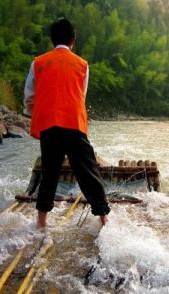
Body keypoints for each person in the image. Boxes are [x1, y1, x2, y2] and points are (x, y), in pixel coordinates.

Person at [23, 18, 110, 228]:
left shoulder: (38, 62)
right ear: (73, 40)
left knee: (50, 173)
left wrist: (38, 113)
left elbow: (29, 97)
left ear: (52, 40)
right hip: (73, 124)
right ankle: (104, 219)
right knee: (87, 172)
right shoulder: (82, 65)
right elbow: (80, 96)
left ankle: (41, 223)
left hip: (50, 127)